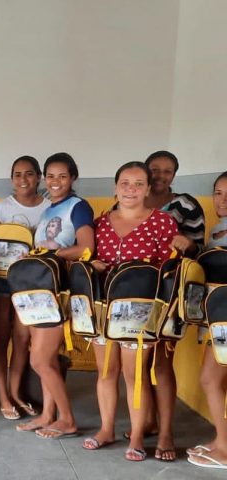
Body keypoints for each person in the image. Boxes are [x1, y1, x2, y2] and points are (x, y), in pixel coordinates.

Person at [82, 161, 178, 462]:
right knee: (106, 372)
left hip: (141, 312)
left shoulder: (162, 222)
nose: (131, 189)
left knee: (134, 374)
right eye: (125, 183)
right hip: (103, 310)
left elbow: (169, 269)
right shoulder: (100, 222)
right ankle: (106, 429)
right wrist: (92, 263)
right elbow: (88, 256)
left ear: (148, 189)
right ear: (115, 187)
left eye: (138, 184)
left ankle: (137, 436)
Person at [19, 152, 94, 439]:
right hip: (40, 288)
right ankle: (48, 414)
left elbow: (86, 248)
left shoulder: (78, 207)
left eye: (62, 176)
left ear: (73, 178)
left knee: (39, 360)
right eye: (50, 176)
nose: (55, 181)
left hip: (59, 292)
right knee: (45, 360)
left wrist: (53, 254)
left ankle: (67, 419)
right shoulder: (49, 209)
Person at [141, 150, 206, 461]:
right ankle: (148, 421)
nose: (160, 176)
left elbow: (200, 251)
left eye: (167, 171)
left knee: (162, 363)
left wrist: (188, 244)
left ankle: (166, 434)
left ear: (174, 176)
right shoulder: (132, 200)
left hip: (170, 295)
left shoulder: (186, 206)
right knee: (139, 363)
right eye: (154, 169)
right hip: (137, 294)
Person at [0, 156, 50, 420]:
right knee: (1, 337)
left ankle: (16, 393)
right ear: (12, 178)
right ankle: (3, 396)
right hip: (2, 281)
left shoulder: (49, 208)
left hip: (31, 282)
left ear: (38, 177)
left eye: (29, 174)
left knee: (22, 338)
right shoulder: (1, 208)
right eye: (17, 174)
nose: (23, 179)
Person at [187, 171, 227, 469]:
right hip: (217, 317)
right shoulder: (217, 230)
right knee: (213, 380)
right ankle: (221, 440)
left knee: (210, 379)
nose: (222, 200)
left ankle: (224, 448)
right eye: (218, 193)